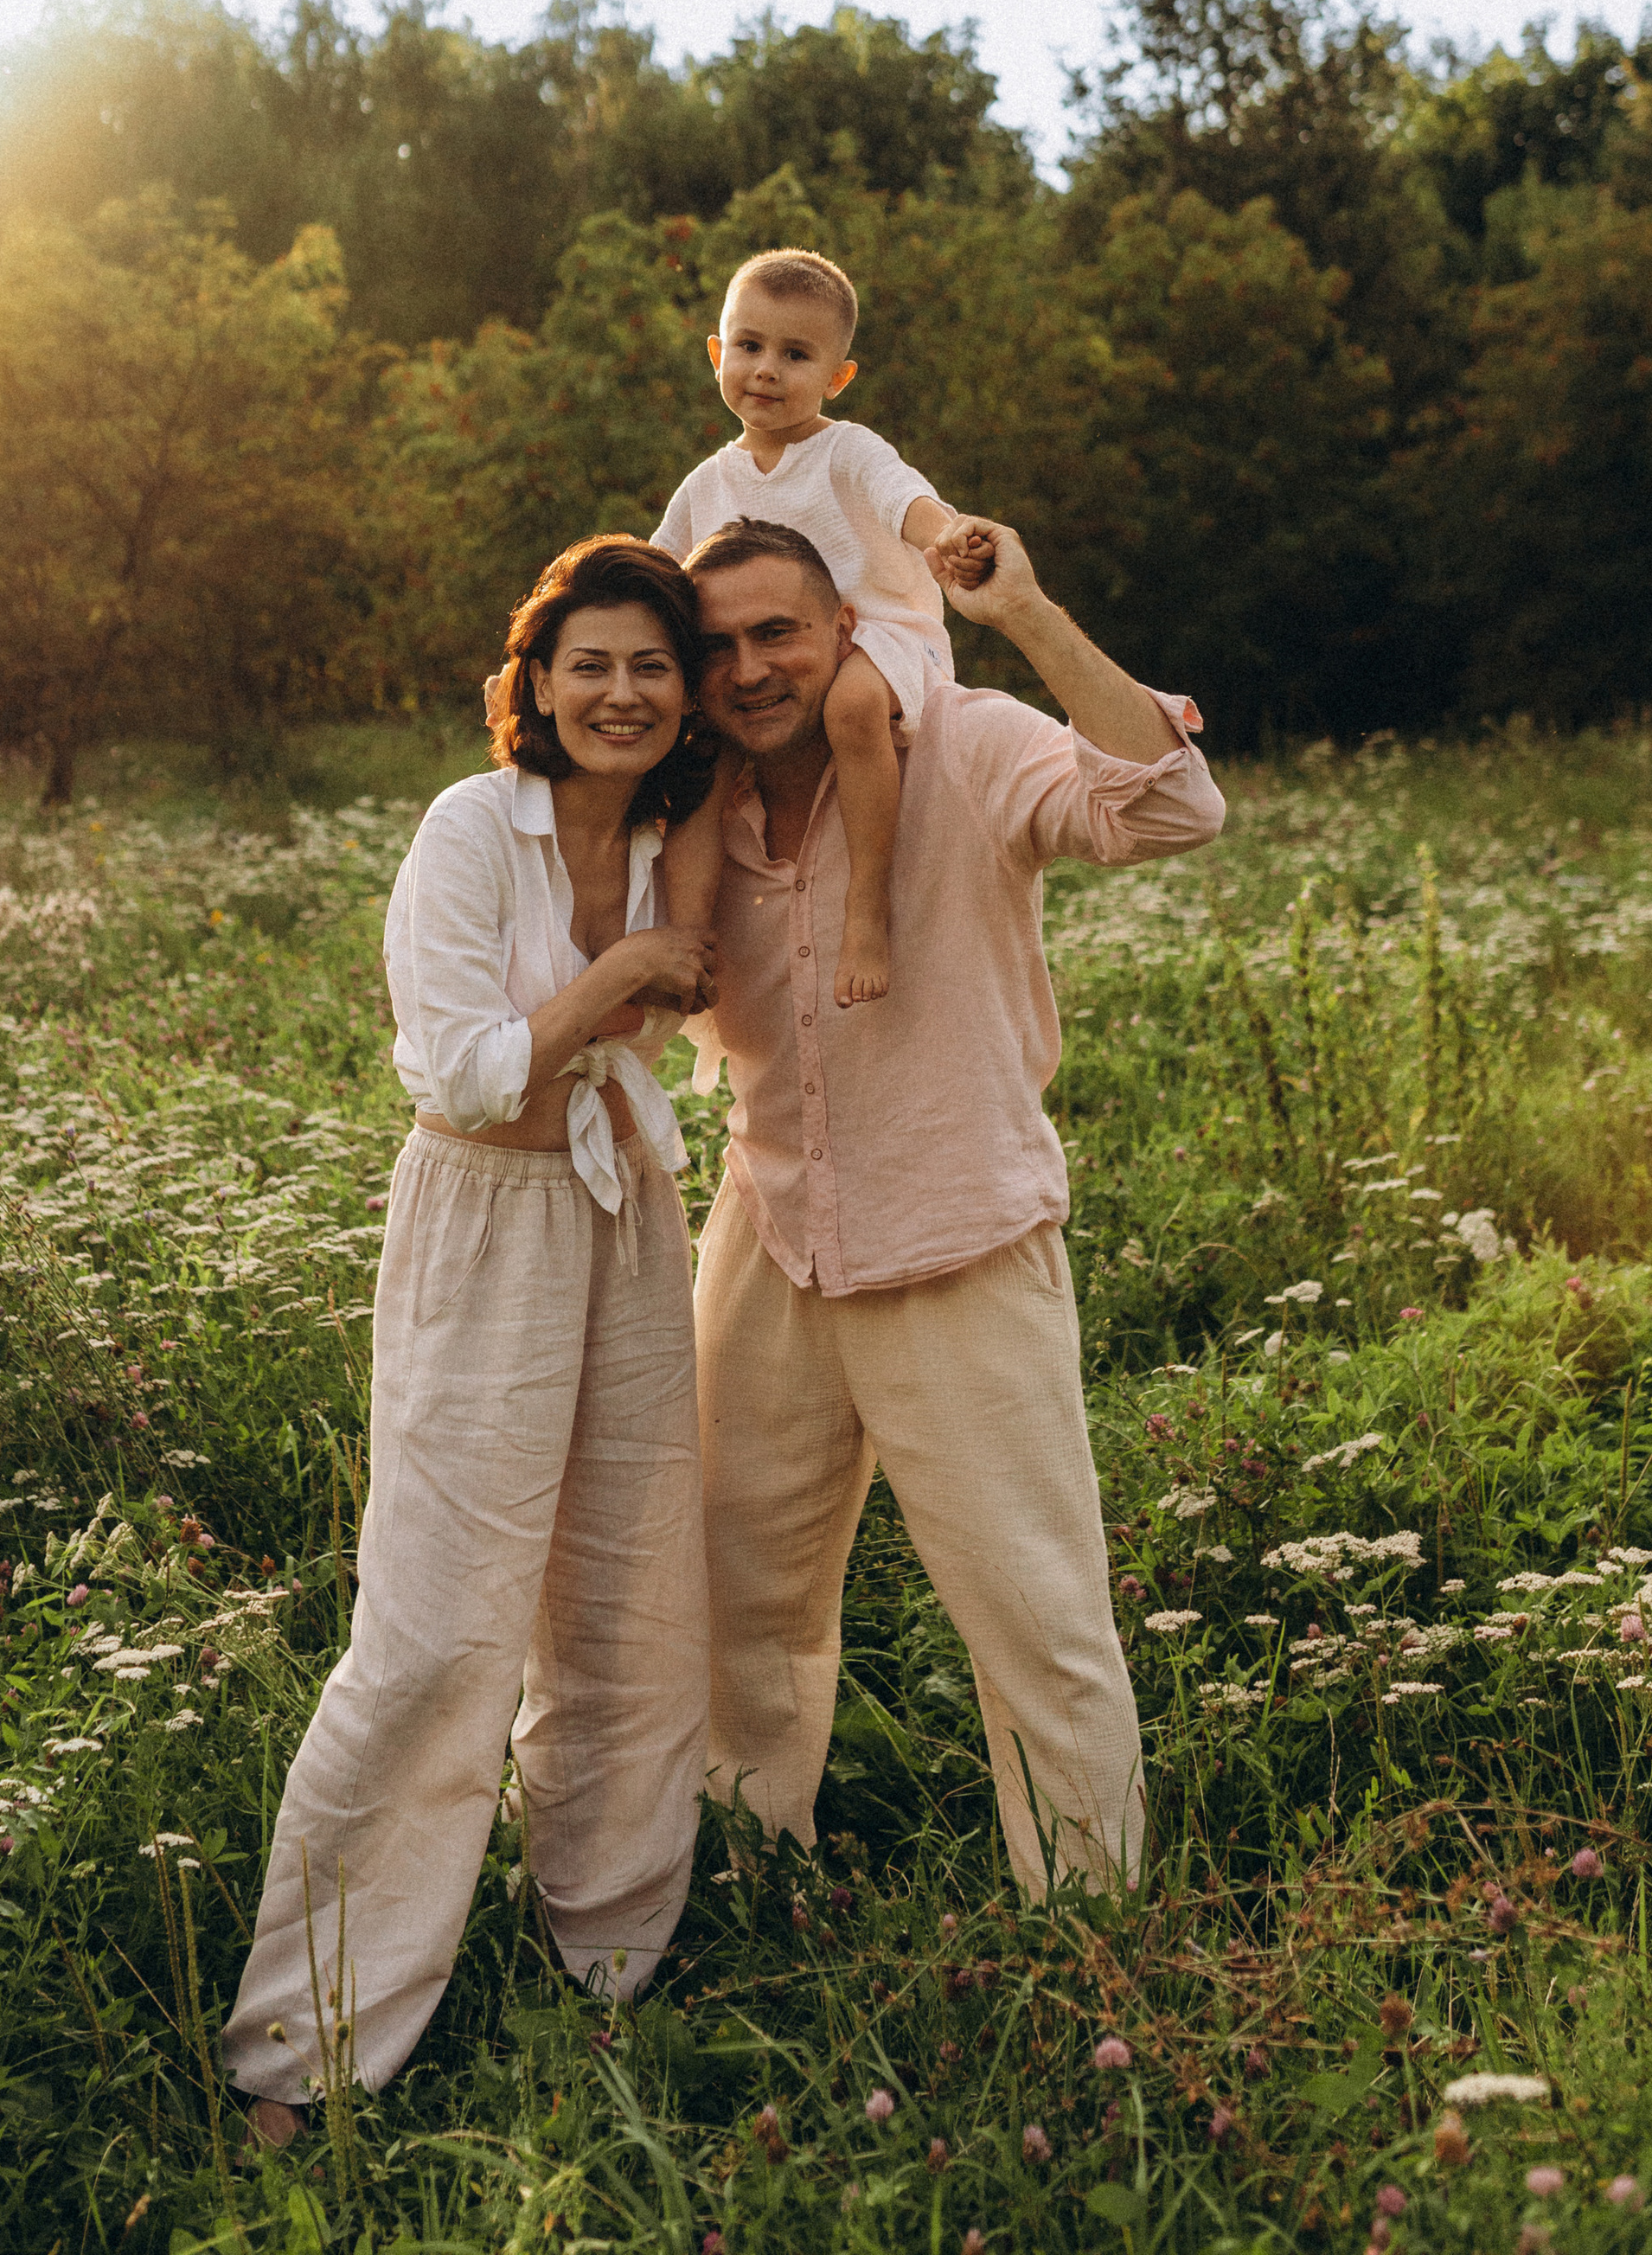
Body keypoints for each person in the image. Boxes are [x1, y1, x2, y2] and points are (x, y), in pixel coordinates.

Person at [221, 536, 719, 2141]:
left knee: (632, 1599)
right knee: (437, 1631)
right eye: (592, 663)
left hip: (626, 1214)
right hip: (483, 1224)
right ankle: (306, 2053)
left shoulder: (675, 832)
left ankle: (609, 1962)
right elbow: (455, 1068)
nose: (623, 692)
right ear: (537, 682)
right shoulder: (466, 826)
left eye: (653, 665)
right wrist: (620, 976)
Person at [679, 511, 1226, 1895]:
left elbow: (1169, 805)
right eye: (719, 644)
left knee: (1037, 1625)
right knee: (736, 1609)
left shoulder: (967, 744)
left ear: (847, 631)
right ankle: (748, 1885)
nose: (749, 668)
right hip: (772, 1239)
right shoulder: (693, 810)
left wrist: (1029, 617)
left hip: (961, 1237)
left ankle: (1091, 1930)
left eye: (778, 633)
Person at [652, 247, 994, 1010]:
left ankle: (867, 908)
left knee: (850, 704)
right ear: (716, 354)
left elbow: (903, 498)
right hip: (770, 655)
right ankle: (687, 937)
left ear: (837, 377)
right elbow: (651, 572)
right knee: (702, 757)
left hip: (882, 634)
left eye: (795, 354)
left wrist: (945, 537)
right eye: (749, 347)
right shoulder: (708, 480)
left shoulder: (847, 450)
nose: (766, 369)